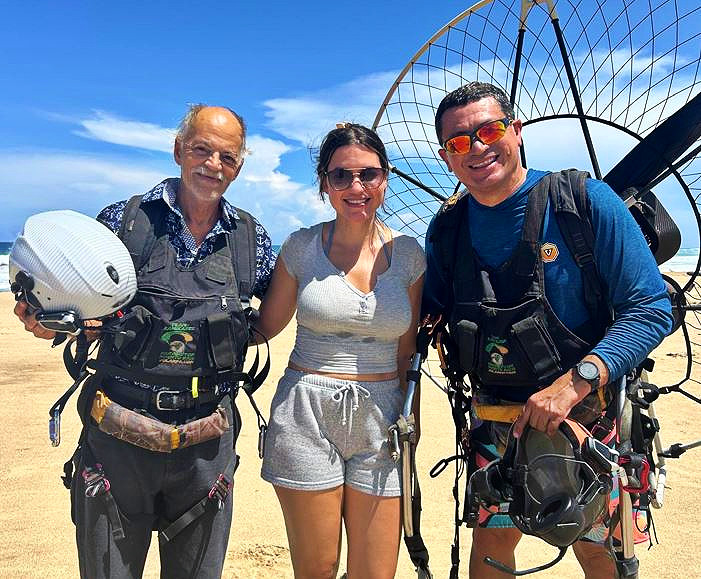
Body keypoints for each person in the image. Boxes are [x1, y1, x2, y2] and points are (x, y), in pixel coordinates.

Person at [422, 82, 674, 578]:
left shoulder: (584, 203)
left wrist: (574, 383)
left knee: (596, 547)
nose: (476, 147)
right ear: (446, 157)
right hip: (495, 419)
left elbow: (649, 308)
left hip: (589, 415)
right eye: (458, 141)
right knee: (492, 543)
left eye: (489, 130)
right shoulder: (447, 229)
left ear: (516, 131)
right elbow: (426, 312)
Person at [14, 104, 275, 578]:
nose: (213, 164)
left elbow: (275, 313)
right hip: (117, 435)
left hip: (206, 442)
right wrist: (46, 317)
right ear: (178, 150)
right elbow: (77, 300)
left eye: (227, 157)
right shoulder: (124, 221)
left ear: (239, 167)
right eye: (201, 149)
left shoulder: (251, 239)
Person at [254, 123, 425, 579]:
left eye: (368, 174)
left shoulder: (409, 255)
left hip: (382, 417)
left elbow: (407, 351)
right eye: (341, 176)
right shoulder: (301, 247)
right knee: (319, 568)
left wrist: (412, 421)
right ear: (324, 184)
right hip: (305, 413)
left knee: (375, 572)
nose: (356, 187)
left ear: (385, 178)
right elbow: (264, 327)